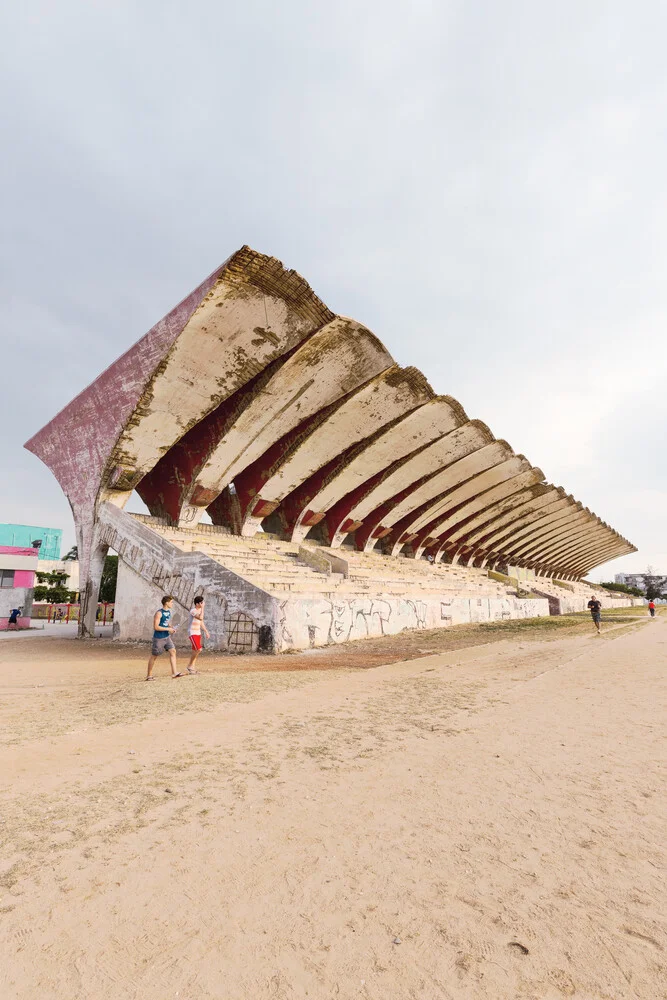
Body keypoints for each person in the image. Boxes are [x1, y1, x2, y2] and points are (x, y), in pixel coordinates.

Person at [146, 595, 184, 680]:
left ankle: (174, 673)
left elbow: (166, 623)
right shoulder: (159, 613)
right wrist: (168, 629)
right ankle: (149, 676)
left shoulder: (168, 612)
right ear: (166, 603)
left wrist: (172, 627)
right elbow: (156, 627)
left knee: (173, 651)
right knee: (154, 655)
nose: (172, 604)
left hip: (167, 637)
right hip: (159, 638)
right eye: (171, 602)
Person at [186, 595, 210, 674]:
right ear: (197, 604)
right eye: (201, 603)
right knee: (198, 649)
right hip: (192, 632)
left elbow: (201, 622)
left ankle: (192, 668)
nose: (203, 604)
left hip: (198, 632)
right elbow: (200, 618)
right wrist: (202, 608)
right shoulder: (193, 611)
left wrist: (206, 631)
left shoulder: (200, 611)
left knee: (194, 651)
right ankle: (190, 665)